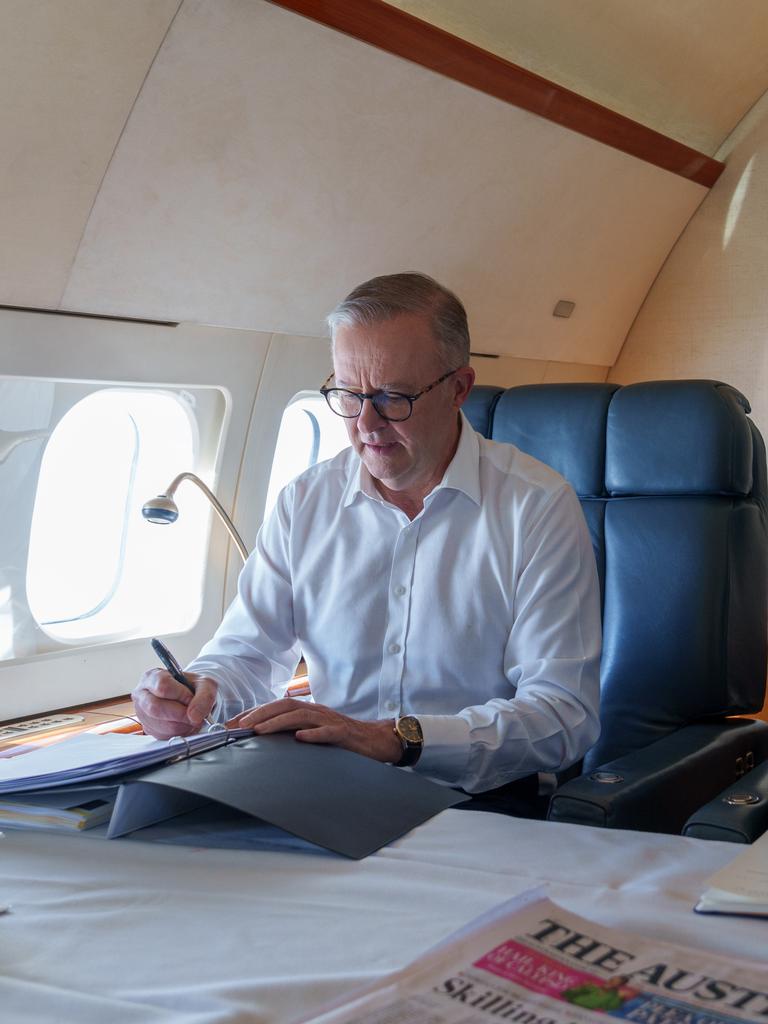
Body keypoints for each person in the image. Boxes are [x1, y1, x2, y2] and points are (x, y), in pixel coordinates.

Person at [133, 272, 601, 813]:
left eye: (393, 397)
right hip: (324, 794)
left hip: (473, 804)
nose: (366, 424)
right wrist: (199, 691)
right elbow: (247, 654)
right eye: (348, 395)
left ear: (459, 388)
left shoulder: (536, 506)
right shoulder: (304, 502)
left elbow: (564, 716)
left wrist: (396, 741)